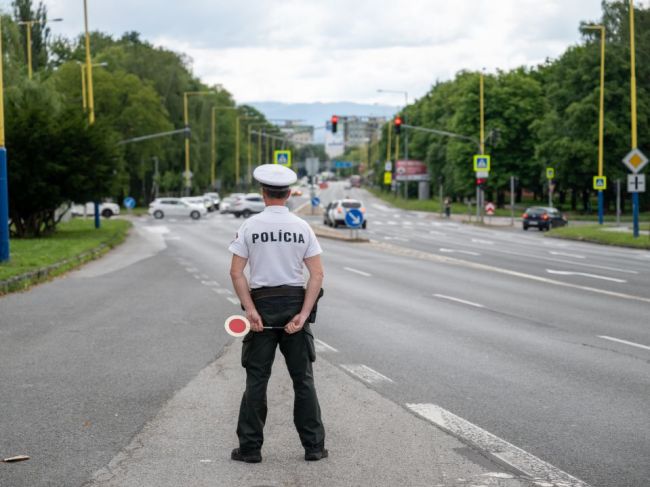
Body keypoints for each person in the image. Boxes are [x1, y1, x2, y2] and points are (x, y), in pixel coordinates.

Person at [228, 164, 327, 464]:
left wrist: (251, 310)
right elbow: (318, 275)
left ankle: (250, 449)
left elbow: (236, 272)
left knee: (257, 379)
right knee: (303, 380)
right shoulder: (302, 227)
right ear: (288, 194)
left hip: (263, 307)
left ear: (263, 193)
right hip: (295, 305)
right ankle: (313, 447)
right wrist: (304, 314)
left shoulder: (250, 227)